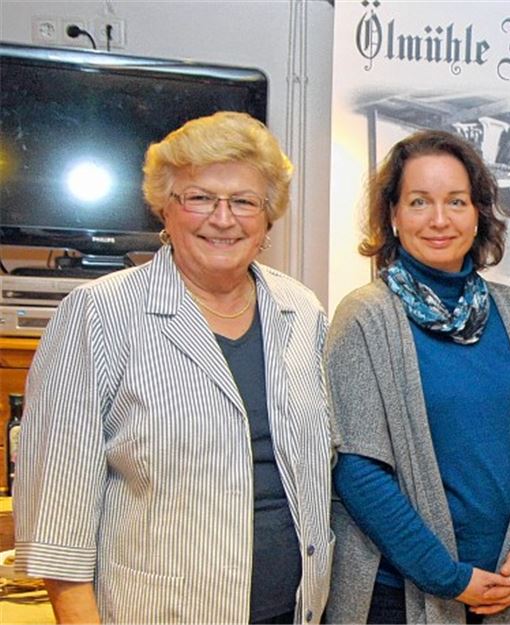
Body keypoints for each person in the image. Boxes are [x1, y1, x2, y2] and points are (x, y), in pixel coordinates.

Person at [14, 111, 334, 623]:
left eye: (244, 202)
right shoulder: (100, 312)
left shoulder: (301, 309)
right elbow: (58, 511)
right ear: (165, 208)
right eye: (200, 197)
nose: (223, 218)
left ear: (268, 218)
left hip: (293, 611)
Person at [324, 129, 510, 624]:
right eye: (419, 202)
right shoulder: (364, 318)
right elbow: (357, 471)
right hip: (399, 596)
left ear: (478, 212)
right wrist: (449, 577)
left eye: (456, 201)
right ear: (393, 216)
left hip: (506, 587)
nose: (439, 219)